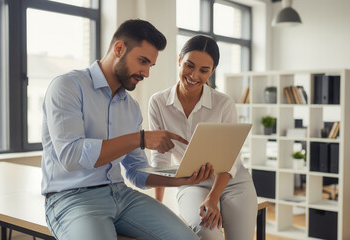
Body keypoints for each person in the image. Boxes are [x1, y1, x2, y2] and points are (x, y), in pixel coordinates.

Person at [41, 19, 215, 240]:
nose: (146, 73)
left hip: (122, 195)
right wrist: (139, 139)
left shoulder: (131, 108)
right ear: (119, 49)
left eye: (150, 65)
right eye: (142, 61)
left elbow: (135, 171)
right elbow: (71, 155)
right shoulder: (67, 86)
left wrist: (180, 180)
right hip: (71, 199)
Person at [148, 35, 258, 240]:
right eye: (189, 65)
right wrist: (158, 205)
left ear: (212, 71)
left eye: (204, 70)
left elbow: (230, 158)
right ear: (179, 60)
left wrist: (213, 198)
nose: (194, 75)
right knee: (209, 234)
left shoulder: (223, 103)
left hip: (233, 182)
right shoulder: (158, 103)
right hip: (192, 183)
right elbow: (160, 159)